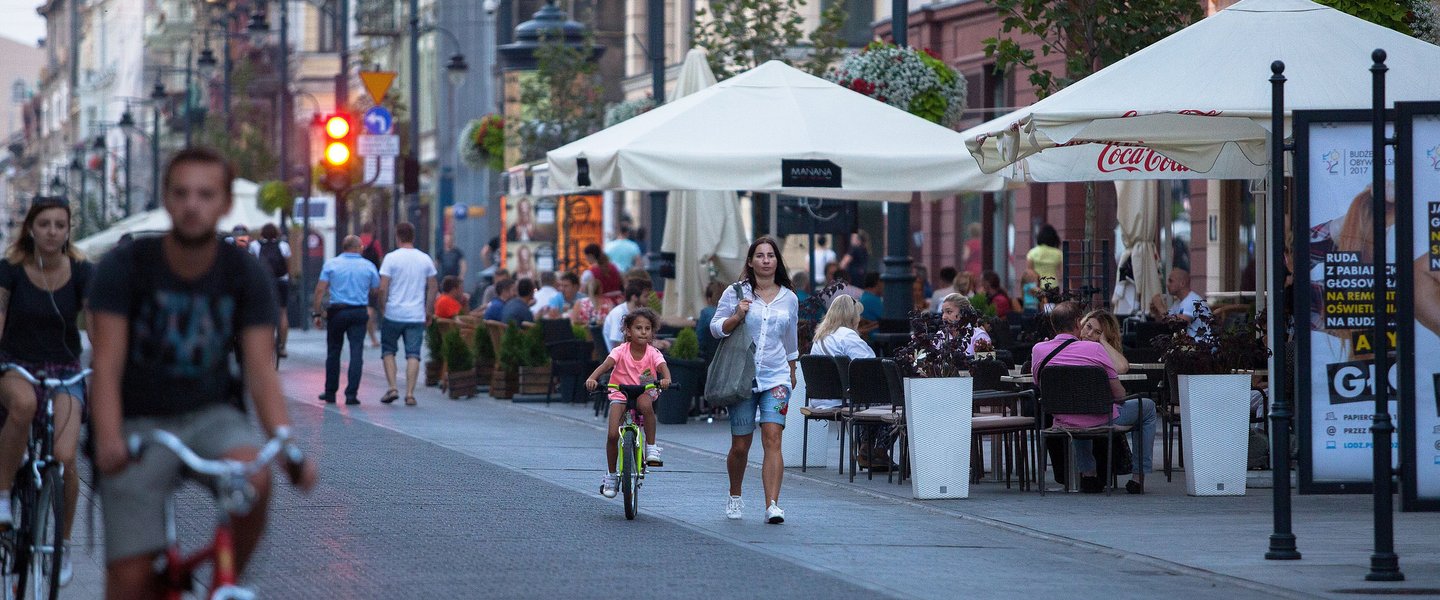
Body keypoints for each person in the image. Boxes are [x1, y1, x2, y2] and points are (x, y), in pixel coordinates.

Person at [89, 148, 317, 597]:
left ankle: (226, 581)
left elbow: (260, 371)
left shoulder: (245, 273)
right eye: (182, 193)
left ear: (225, 204)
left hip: (213, 414)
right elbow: (107, 363)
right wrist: (109, 437)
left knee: (254, 478)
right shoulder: (126, 266)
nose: (193, 204)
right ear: (167, 200)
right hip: (139, 420)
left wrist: (286, 443)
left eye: (206, 194)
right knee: (131, 579)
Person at [0, 197, 92, 583]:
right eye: (44, 224)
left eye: (59, 224)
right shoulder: (11, 270)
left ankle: (63, 543)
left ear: (68, 229)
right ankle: (3, 496)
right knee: (21, 405)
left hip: (65, 370)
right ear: (31, 229)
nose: (52, 231)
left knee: (65, 457)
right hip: (17, 365)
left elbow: (98, 321)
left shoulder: (84, 270)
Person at [711, 236, 798, 524]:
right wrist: (737, 316)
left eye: (770, 255)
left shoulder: (790, 297)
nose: (765, 260)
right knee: (741, 445)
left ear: (777, 261)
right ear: (750, 261)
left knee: (773, 438)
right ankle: (735, 494)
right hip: (742, 377)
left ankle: (773, 504)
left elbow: (791, 340)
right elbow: (715, 329)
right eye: (759, 255)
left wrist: (792, 369)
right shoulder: (735, 293)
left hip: (776, 377)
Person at [1031, 301, 1156, 494]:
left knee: (1077, 409)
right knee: (1147, 407)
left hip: (1063, 419)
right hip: (1100, 418)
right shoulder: (1095, 350)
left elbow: (1041, 385)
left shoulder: (1038, 349)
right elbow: (1120, 396)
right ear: (1077, 323)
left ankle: (1088, 474)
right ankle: (1138, 477)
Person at [586, 307, 671, 498]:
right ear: (628, 331)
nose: (643, 332)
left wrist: (666, 379)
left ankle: (651, 447)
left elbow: (662, 367)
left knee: (645, 406)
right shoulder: (620, 351)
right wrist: (592, 378)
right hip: (620, 390)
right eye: (638, 328)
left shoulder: (653, 352)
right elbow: (606, 365)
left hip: (644, 388)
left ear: (652, 332)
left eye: (647, 328)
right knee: (612, 434)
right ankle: (611, 475)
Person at [313, 235, 381, 405]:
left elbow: (320, 290)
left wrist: (317, 313)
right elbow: (376, 289)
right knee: (356, 351)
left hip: (337, 312)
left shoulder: (331, 264)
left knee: (334, 352)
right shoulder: (369, 266)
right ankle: (351, 394)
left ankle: (330, 392)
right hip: (358, 312)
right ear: (358, 247)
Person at [377, 222, 437, 407]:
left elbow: (382, 287)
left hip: (393, 313)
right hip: (416, 315)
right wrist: (428, 310)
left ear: (397, 237)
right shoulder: (425, 259)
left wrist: (383, 308)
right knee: (413, 354)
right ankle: (410, 393)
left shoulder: (391, 258)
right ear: (413, 236)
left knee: (388, 351)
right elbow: (433, 286)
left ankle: (393, 387)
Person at [250, 223, 292, 357]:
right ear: (276, 234)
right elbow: (288, 266)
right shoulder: (284, 246)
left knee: (261, 312)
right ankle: (282, 347)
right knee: (283, 312)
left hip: (263, 282)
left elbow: (252, 265)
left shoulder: (255, 246)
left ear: (261, 233)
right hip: (281, 281)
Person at [1148, 266, 1209, 339]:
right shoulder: (1178, 302)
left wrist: (1160, 307)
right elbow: (1166, 322)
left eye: (1171, 281)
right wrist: (1157, 312)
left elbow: (1178, 325)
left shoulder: (1191, 301)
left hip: (1204, 347)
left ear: (1182, 283)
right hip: (1191, 345)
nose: (1167, 284)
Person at [603, 281, 650, 351]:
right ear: (634, 297)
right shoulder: (619, 314)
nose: (649, 299)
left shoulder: (639, 313)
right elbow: (618, 344)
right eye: (645, 296)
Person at [1081, 309, 1129, 374]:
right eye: (1088, 327)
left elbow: (1122, 367)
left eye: (1097, 332)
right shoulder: (1070, 343)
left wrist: (1103, 342)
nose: (1089, 334)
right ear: (1083, 324)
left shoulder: (1101, 353)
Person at [359, 224, 384, 347]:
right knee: (370, 309)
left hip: (359, 278)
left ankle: (362, 336)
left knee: (362, 307)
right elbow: (380, 259)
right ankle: (373, 338)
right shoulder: (375, 243)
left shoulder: (358, 241)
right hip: (372, 278)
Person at [695, 281, 726, 360]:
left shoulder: (706, 312)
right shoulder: (734, 314)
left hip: (709, 359)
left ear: (709, 299)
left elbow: (699, 341)